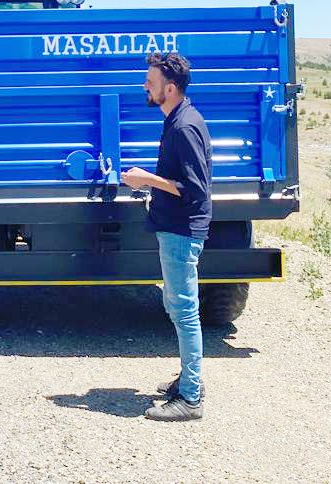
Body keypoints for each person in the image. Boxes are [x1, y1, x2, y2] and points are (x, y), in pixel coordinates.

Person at [121, 52, 212, 422]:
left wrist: (147, 179)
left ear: (169, 88)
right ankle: (188, 380)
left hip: (182, 230)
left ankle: (191, 398)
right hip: (174, 227)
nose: (146, 85)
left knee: (185, 311)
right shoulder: (176, 119)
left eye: (151, 81)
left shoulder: (184, 127)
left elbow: (195, 190)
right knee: (176, 307)